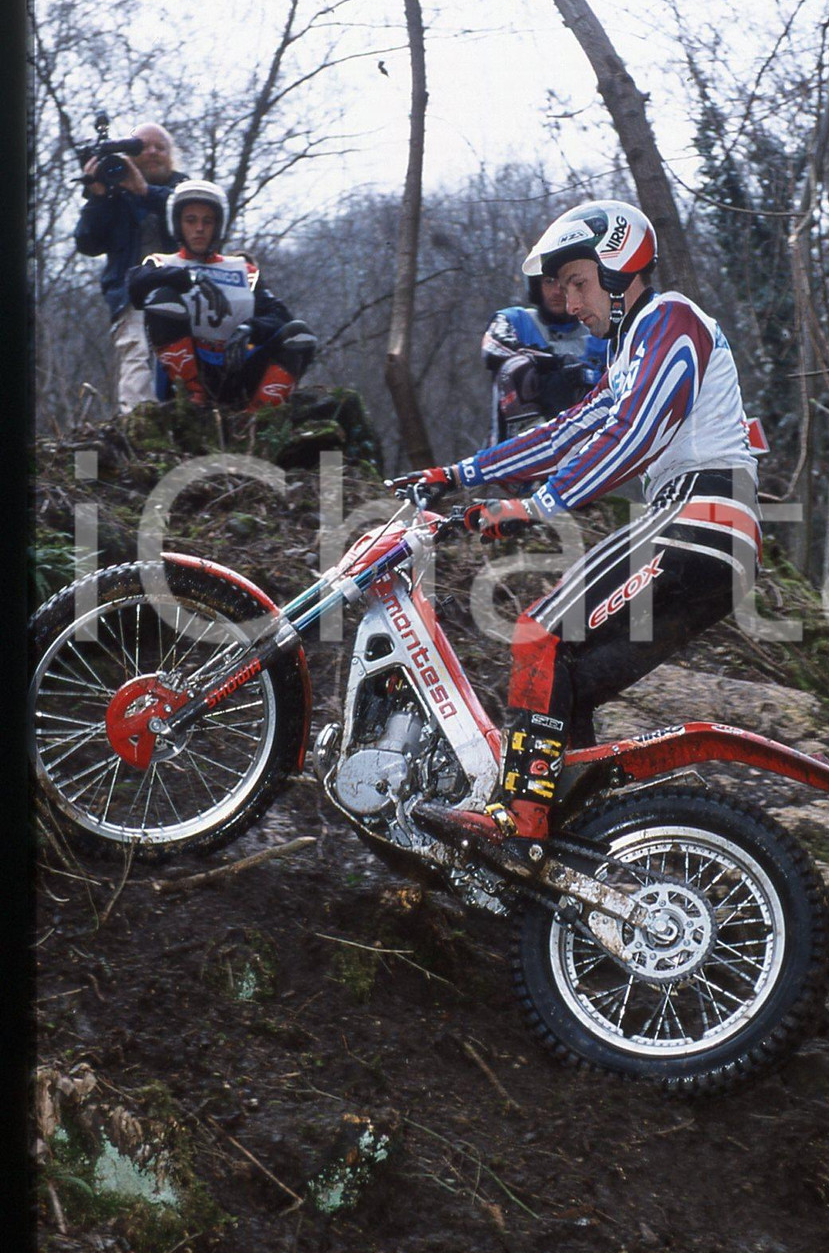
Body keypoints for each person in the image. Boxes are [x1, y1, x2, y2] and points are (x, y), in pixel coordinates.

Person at [394, 199, 764, 846]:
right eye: (560, 288)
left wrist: (536, 505)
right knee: (570, 680)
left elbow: (637, 433)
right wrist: (458, 473)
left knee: (538, 633)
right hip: (710, 546)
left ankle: (519, 816)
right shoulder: (629, 353)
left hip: (697, 516)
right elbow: (568, 429)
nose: (567, 303)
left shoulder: (671, 319)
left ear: (621, 269)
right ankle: (580, 837)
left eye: (578, 283)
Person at [125, 180, 316, 411]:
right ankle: (192, 397)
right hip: (184, 377)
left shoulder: (244, 271)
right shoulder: (161, 263)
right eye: (191, 220)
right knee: (162, 296)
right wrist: (188, 278)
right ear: (178, 224)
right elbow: (135, 285)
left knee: (299, 335)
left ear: (218, 226)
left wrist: (251, 328)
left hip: (237, 367)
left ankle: (259, 416)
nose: (199, 229)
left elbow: (281, 316)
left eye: (208, 221)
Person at [74, 122, 188, 413]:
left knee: (184, 356)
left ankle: (188, 415)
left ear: (170, 155)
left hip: (182, 291)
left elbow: (188, 218)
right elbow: (87, 243)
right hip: (131, 297)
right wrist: (98, 196)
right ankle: (139, 425)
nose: (151, 152)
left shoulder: (183, 188)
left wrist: (145, 191)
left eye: (159, 147)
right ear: (128, 155)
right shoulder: (115, 197)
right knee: (136, 352)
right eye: (141, 147)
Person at [482, 273, 609, 444]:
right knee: (516, 366)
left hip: (585, 438)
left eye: (565, 282)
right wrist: (555, 364)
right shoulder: (515, 320)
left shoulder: (600, 334)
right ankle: (527, 443)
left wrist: (582, 374)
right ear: (536, 285)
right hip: (515, 439)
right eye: (549, 281)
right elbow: (493, 349)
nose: (557, 291)